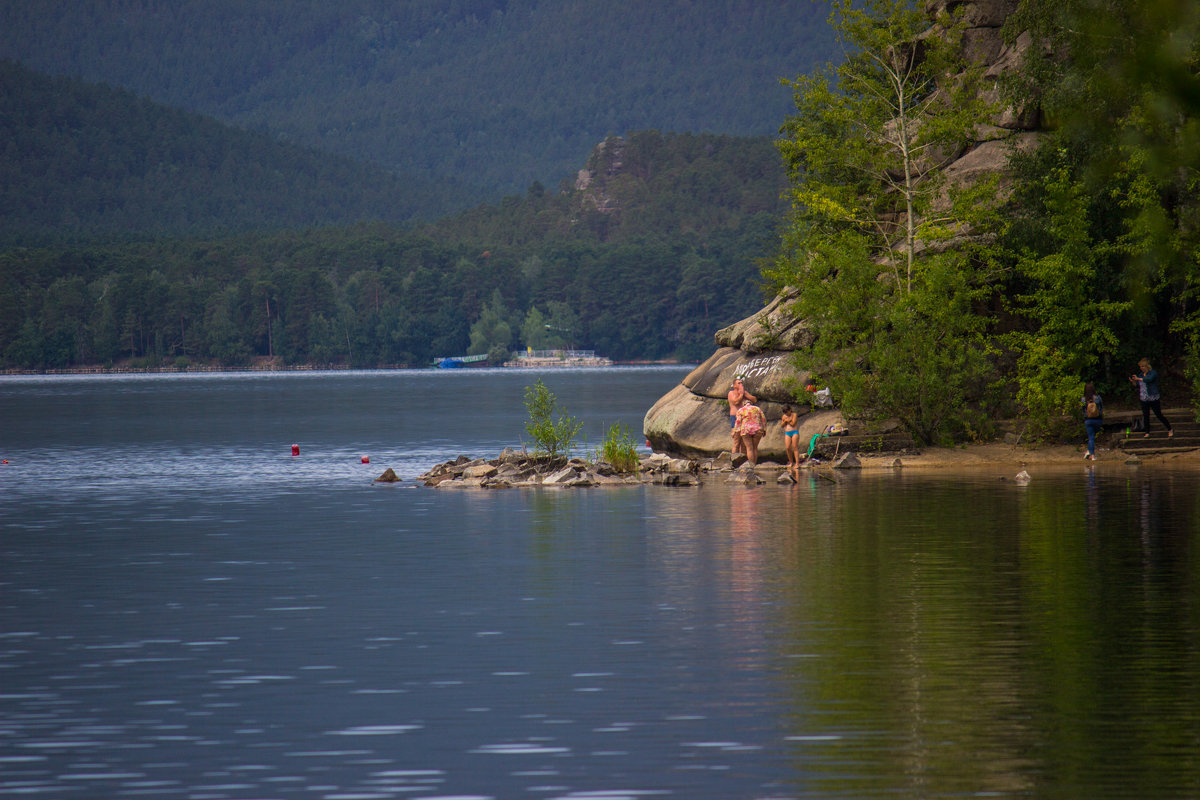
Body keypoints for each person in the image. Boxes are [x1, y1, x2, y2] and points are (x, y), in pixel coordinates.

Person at [1130, 358, 1173, 438]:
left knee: (1158, 414)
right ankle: (1147, 432)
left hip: (1153, 397)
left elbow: (1149, 380)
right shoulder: (1140, 375)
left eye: (1143, 366)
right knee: (1146, 415)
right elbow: (1139, 385)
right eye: (1140, 366)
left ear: (1147, 366)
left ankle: (1169, 428)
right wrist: (1133, 382)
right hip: (1144, 398)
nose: (1141, 368)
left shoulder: (1153, 373)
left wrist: (1139, 379)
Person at [727, 376, 756, 455]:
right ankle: (734, 460)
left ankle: (743, 460)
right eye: (739, 383)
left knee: (744, 443)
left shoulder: (744, 393)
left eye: (741, 383)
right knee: (736, 441)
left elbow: (754, 400)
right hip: (735, 417)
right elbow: (736, 402)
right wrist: (741, 394)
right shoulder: (731, 393)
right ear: (734, 385)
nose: (741, 385)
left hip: (744, 418)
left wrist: (746, 395)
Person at [735, 401, 766, 465]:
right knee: (755, 448)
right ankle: (754, 464)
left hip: (746, 430)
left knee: (749, 448)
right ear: (751, 403)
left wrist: (737, 431)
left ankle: (751, 466)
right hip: (757, 429)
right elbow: (763, 419)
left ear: (744, 404)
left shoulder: (741, 410)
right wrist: (764, 429)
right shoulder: (757, 408)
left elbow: (738, 422)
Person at [1082, 382, 1103, 461]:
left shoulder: (1083, 399)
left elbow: (1082, 411)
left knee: (1091, 437)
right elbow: (1101, 408)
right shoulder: (1098, 398)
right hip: (1098, 420)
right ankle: (1089, 451)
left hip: (1088, 420)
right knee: (1092, 437)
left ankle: (1092, 455)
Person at [780, 405, 800, 474]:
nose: (786, 413)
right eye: (785, 412)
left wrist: (788, 421)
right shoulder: (784, 416)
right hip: (787, 433)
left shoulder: (794, 414)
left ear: (790, 410)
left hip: (794, 432)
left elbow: (793, 423)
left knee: (795, 447)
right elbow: (782, 425)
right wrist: (785, 421)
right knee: (788, 447)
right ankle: (791, 462)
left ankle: (797, 463)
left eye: (787, 412)